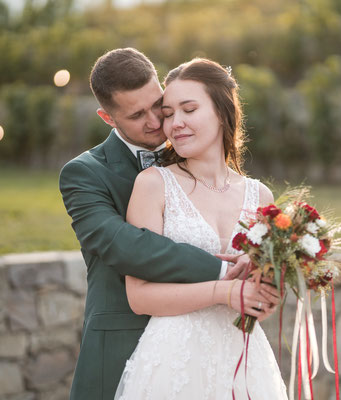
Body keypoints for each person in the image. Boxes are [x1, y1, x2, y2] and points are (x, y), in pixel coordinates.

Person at [59, 48, 278, 399]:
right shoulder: (86, 174)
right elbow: (125, 245)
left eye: (158, 106)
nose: (158, 122)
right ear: (108, 117)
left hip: (232, 353)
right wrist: (225, 278)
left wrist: (266, 287)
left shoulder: (246, 187)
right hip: (135, 344)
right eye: (137, 115)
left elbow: (262, 291)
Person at [114, 58, 288, 399]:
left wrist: (265, 299)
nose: (174, 123)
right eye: (168, 114)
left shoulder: (261, 196)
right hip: (175, 360)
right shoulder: (154, 185)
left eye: (188, 110)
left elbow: (266, 294)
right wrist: (223, 293)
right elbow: (139, 296)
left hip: (244, 359)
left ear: (222, 113)